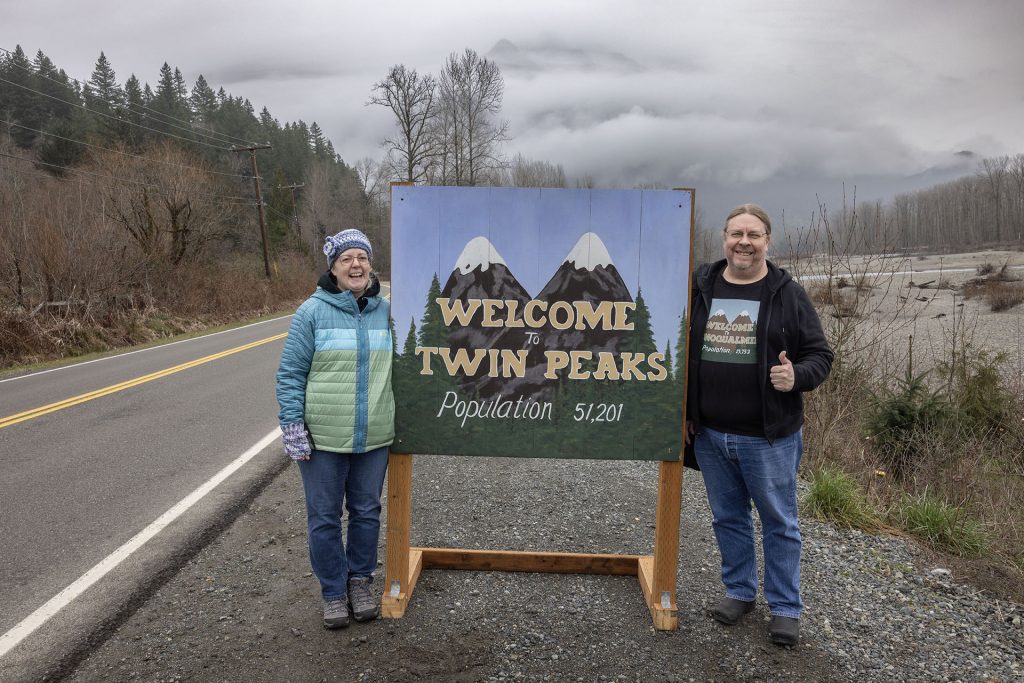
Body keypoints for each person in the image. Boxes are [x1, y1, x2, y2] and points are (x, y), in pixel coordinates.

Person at [686, 204, 833, 646]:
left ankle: (785, 608)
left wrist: (795, 377)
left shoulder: (786, 293)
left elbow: (820, 356)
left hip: (768, 437)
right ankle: (739, 592)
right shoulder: (701, 288)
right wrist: (685, 413)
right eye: (736, 233)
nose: (744, 242)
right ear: (724, 238)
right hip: (710, 434)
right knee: (727, 518)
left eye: (753, 234)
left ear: (768, 241)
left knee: (779, 521)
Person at [276, 228, 395, 629]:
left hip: (373, 437)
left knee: (366, 512)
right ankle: (332, 591)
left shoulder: (385, 311)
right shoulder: (311, 312)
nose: (356, 265)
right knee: (324, 518)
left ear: (371, 265)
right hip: (322, 440)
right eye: (347, 259)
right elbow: (290, 374)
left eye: (362, 257)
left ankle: (359, 582)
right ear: (333, 267)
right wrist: (292, 424)